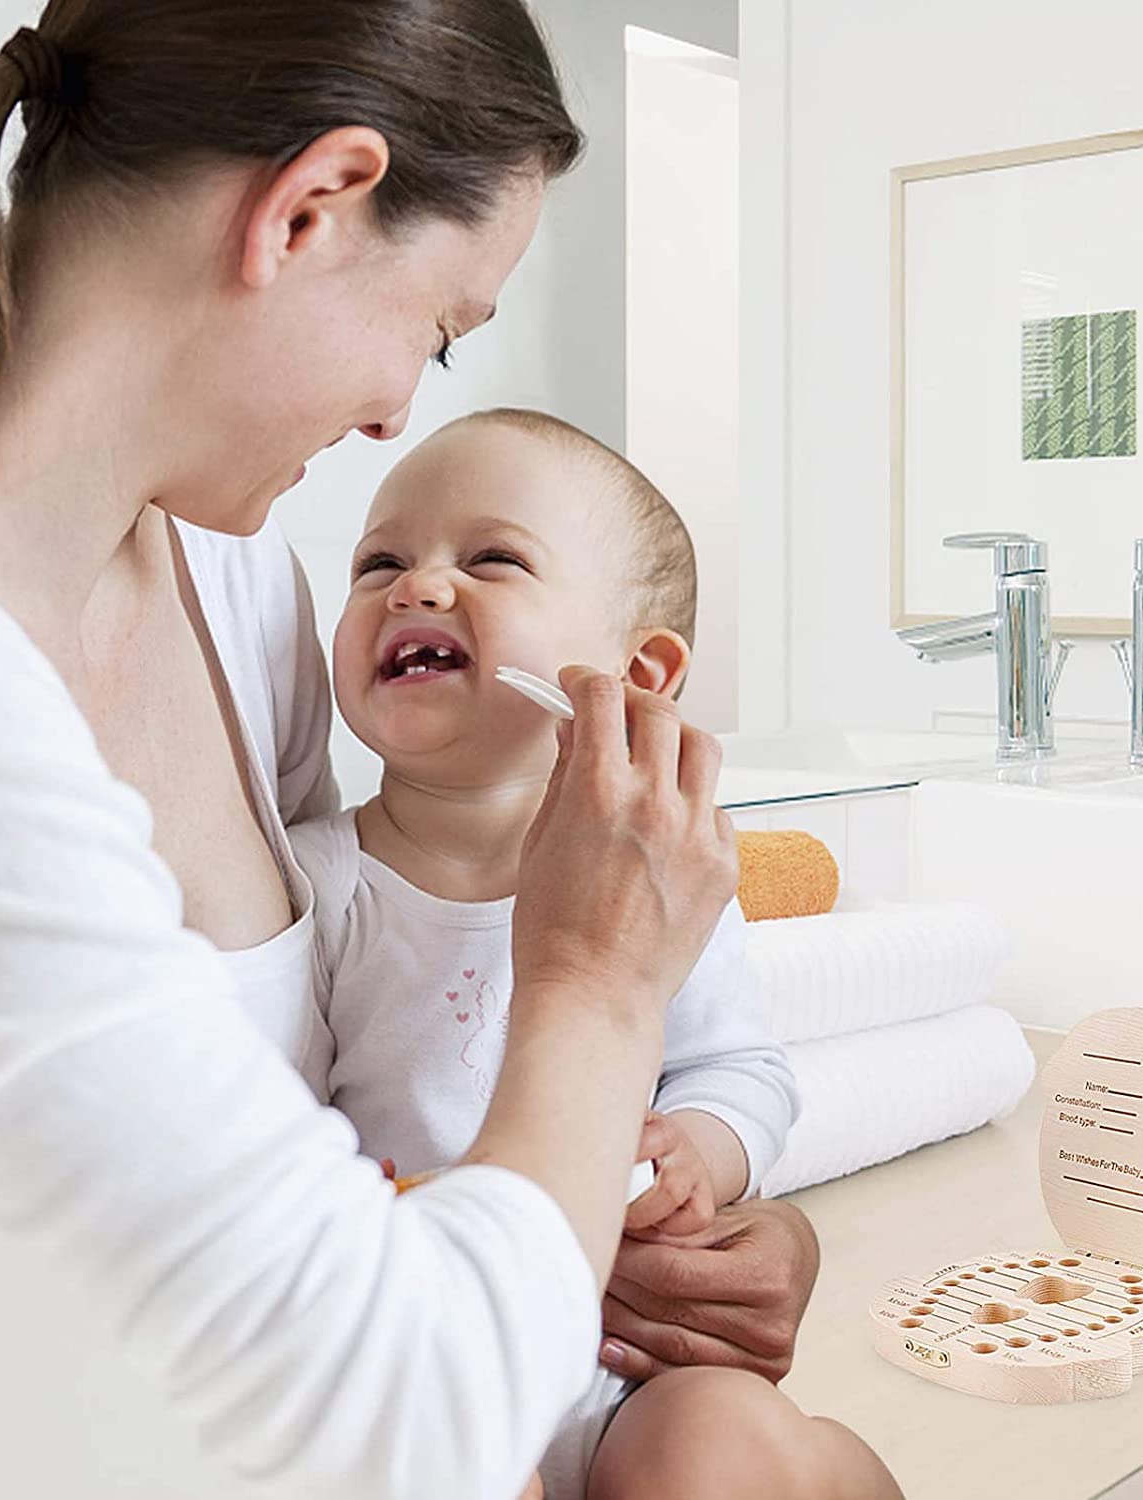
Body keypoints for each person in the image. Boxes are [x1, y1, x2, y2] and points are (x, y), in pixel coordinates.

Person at [0, 4, 843, 1497]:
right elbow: (389, 1417)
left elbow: (296, 1158)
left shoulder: (235, 586)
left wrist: (703, 1237)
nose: (397, 411)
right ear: (311, 208)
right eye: (438, 330)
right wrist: (598, 986)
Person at [289, 408, 902, 1498]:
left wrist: (699, 1157)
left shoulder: (664, 874)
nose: (416, 586)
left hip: (631, 1362)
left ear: (639, 673)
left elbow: (742, 1071)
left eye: (492, 559)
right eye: (378, 563)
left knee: (726, 1442)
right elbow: (275, 1146)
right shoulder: (319, 884)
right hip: (436, 1355)